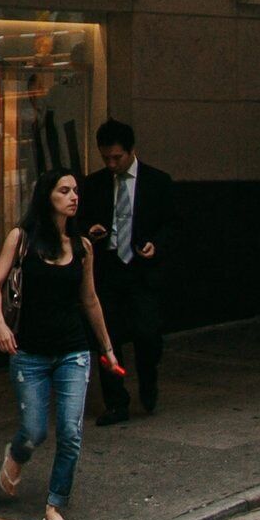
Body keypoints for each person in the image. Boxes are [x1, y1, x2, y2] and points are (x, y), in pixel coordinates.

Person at [0, 171, 117, 520]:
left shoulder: (83, 246)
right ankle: (16, 454)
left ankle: (54, 504)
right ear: (47, 196)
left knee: (72, 433)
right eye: (64, 190)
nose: (73, 196)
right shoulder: (22, 239)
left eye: (76, 191)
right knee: (34, 430)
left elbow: (89, 300)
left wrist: (107, 349)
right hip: (29, 353)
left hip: (74, 351)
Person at [80, 120, 178, 421]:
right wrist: (90, 230)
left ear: (131, 151)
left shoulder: (157, 182)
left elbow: (172, 223)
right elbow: (80, 220)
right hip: (108, 268)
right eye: (106, 158)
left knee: (147, 333)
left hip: (141, 269)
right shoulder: (93, 184)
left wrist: (156, 245)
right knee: (107, 337)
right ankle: (116, 401)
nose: (112, 164)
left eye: (117, 158)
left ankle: (149, 379)